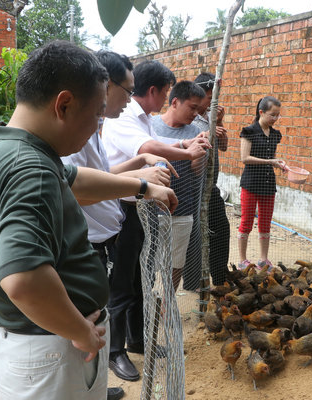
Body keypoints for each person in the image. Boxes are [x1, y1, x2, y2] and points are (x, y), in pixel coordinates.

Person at [0, 40, 176, 400]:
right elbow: (24, 281)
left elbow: (75, 179)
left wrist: (142, 187)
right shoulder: (31, 170)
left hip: (20, 343)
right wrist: (81, 331)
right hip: (49, 351)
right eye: (96, 115)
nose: (96, 127)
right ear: (63, 105)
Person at [60, 51, 174, 386]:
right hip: (91, 238)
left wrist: (140, 162)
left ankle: (132, 344)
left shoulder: (95, 127)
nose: (129, 99)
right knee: (110, 297)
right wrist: (142, 184)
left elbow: (103, 173)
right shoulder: (76, 132)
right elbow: (78, 188)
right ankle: (114, 353)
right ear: (105, 85)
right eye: (127, 90)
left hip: (112, 227)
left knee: (133, 283)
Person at [101, 61, 210, 360]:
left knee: (139, 281)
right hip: (119, 208)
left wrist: (185, 142)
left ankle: (137, 342)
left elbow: (156, 141)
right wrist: (187, 152)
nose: (166, 98)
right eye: (164, 92)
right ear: (153, 91)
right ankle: (115, 352)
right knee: (122, 283)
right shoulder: (123, 117)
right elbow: (148, 148)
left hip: (138, 207)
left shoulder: (142, 117)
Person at [152, 80, 208, 291]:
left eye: (199, 109)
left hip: (182, 206)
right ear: (175, 102)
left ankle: (168, 302)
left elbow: (197, 172)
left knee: (176, 262)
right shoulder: (151, 126)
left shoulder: (195, 131)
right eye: (192, 107)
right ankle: (147, 300)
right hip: (150, 208)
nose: (195, 114)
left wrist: (201, 149)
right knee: (148, 260)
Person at [188, 72, 230, 287]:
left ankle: (220, 279)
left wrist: (219, 122)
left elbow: (224, 147)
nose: (213, 102)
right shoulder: (190, 118)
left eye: (216, 97)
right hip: (192, 188)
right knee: (194, 235)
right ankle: (193, 282)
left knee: (221, 229)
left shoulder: (212, 117)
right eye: (209, 97)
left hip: (211, 185)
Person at [237, 96, 286, 270]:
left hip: (268, 183)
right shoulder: (249, 131)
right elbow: (245, 158)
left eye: (278, 115)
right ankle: (242, 260)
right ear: (261, 112)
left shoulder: (275, 134)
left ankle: (263, 259)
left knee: (265, 223)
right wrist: (270, 162)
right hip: (250, 183)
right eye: (273, 115)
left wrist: (279, 164)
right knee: (246, 222)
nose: (276, 118)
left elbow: (272, 157)